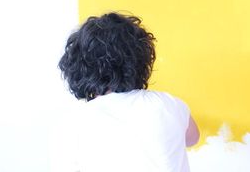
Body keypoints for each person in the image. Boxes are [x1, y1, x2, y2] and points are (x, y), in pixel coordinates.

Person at [57, 12, 200, 172]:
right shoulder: (167, 105)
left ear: (79, 67)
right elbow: (193, 138)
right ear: (140, 60)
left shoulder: (75, 121)